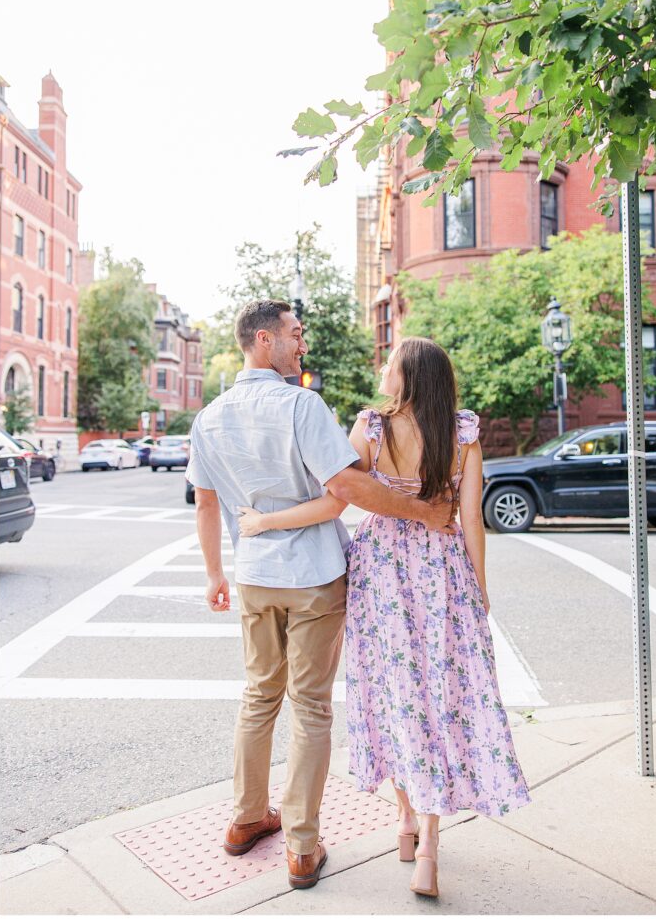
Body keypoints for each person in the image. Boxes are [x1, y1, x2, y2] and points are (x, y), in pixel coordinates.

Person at [238, 336, 532, 898]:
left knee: (393, 695)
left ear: (408, 376)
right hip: (442, 573)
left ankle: (404, 823)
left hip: (381, 576)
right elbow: (472, 520)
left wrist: (265, 524)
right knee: (439, 702)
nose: (382, 366)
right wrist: (479, 591)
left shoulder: (371, 428)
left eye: (390, 362)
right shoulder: (463, 431)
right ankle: (427, 845)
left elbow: (337, 500)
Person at [185, 302, 456, 891]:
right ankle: (302, 848)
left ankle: (245, 818)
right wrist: (421, 511)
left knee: (259, 697)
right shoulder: (301, 405)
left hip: (255, 573)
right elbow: (344, 487)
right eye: (294, 334)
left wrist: (215, 575)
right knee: (309, 705)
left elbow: (206, 504)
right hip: (312, 575)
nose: (301, 344)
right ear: (264, 340)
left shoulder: (208, 417)